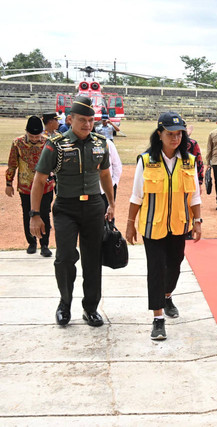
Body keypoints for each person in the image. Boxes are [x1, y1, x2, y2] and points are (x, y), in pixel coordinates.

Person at [30, 96, 115, 327]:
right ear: (70, 119)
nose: (87, 125)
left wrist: (111, 203)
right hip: (66, 207)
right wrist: (35, 214)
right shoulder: (55, 144)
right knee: (65, 257)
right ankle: (64, 304)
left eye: (91, 120)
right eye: (82, 120)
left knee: (93, 259)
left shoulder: (100, 143)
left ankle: (90, 308)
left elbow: (105, 174)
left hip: (94, 207)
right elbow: (39, 180)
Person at [125, 111, 202, 341]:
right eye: (170, 134)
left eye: (178, 134)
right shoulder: (147, 160)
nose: (175, 138)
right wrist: (130, 224)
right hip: (153, 226)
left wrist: (197, 222)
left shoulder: (188, 160)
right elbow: (136, 196)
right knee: (156, 269)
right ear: (159, 134)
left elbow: (195, 195)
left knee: (175, 266)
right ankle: (158, 319)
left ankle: (167, 295)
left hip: (179, 225)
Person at [6, 116, 55, 256]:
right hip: (26, 186)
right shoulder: (17, 143)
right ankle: (31, 242)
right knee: (28, 214)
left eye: (37, 136)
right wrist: (9, 183)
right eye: (31, 136)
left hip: (45, 187)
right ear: (26, 132)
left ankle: (44, 244)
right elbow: (12, 164)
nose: (34, 139)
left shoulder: (48, 143)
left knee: (45, 214)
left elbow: (54, 164)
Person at [100, 138, 122, 214]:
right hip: (90, 190)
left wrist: (114, 183)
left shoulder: (107, 143)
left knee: (108, 217)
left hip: (107, 189)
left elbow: (117, 165)